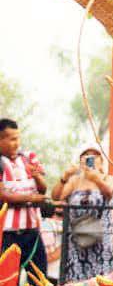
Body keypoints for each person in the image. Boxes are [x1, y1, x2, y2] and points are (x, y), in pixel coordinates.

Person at [52, 144, 113, 282]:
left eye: (95, 155)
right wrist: (65, 177)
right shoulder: (74, 181)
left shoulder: (109, 178)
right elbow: (56, 197)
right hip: (78, 241)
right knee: (77, 283)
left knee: (102, 282)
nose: (90, 158)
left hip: (102, 241)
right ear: (80, 160)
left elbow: (109, 193)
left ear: (101, 161)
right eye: (86, 155)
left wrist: (95, 178)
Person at [0, 118, 49, 276]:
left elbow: (43, 189)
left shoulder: (28, 158)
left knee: (40, 277)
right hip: (8, 234)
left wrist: (37, 177)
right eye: (12, 139)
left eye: (18, 138)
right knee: (8, 279)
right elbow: (3, 195)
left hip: (32, 231)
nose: (17, 143)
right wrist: (31, 198)